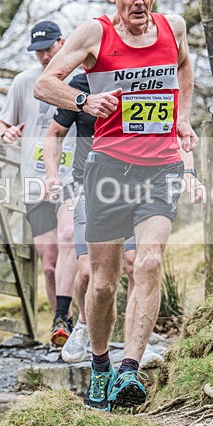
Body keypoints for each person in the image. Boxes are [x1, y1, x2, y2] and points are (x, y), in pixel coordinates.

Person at [34, 0, 202, 411]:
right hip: (107, 170)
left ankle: (130, 370)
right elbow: (44, 85)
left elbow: (185, 67)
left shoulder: (174, 28)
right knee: (103, 283)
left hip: (161, 167)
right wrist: (85, 103)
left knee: (148, 263)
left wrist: (182, 118)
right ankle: (101, 365)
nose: (139, 1)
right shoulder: (95, 34)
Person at [0, 20, 79, 347]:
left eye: (49, 49)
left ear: (63, 43)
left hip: (72, 177)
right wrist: (6, 133)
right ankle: (61, 325)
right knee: (49, 260)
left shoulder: (78, 80)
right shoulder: (23, 82)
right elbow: (0, 123)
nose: (44, 57)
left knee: (70, 238)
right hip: (34, 180)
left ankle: (66, 316)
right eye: (39, 51)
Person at [42, 73, 138, 363]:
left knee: (136, 265)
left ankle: (136, 343)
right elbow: (54, 134)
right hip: (87, 185)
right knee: (87, 272)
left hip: (134, 186)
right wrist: (52, 175)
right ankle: (84, 324)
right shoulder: (81, 86)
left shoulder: (140, 79)